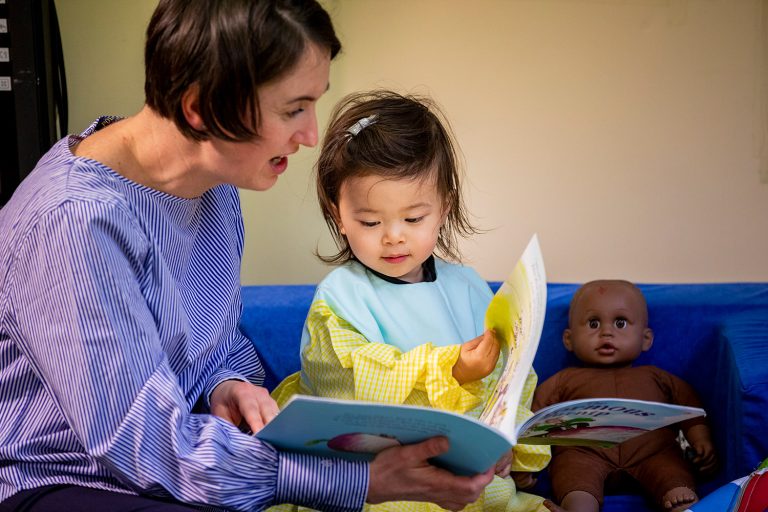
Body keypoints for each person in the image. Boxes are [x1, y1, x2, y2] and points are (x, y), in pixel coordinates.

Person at [0, 1, 495, 511]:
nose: (310, 135)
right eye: (292, 109)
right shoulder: (74, 223)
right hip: (73, 481)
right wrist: (359, 481)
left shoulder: (212, 184)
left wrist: (226, 382)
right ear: (200, 108)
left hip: (185, 451)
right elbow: (141, 443)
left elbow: (214, 338)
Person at [271, 90, 551, 512]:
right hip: (380, 481)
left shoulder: (468, 287)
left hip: (467, 474)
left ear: (444, 206)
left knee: (504, 498)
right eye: (369, 221)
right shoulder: (341, 298)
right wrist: (451, 369)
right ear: (338, 214)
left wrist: (505, 437)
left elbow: (513, 378)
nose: (393, 236)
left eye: (414, 218)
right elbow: (349, 384)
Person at [533, 280, 717, 512]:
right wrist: (524, 464)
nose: (606, 332)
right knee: (572, 470)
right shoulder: (564, 379)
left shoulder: (655, 377)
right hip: (584, 450)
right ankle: (577, 506)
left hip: (652, 450)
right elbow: (534, 418)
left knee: (670, 469)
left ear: (645, 338)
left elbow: (690, 406)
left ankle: (681, 498)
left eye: (620, 323)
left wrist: (701, 438)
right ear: (568, 339)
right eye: (593, 323)